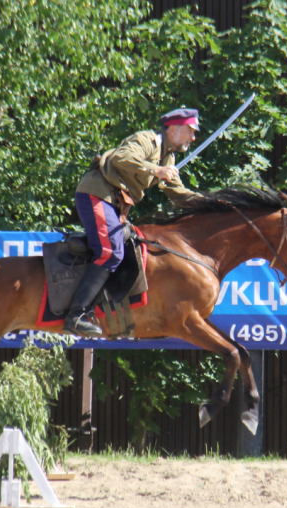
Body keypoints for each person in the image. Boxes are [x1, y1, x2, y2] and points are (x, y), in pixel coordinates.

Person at [64, 108, 201, 337]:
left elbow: (179, 194)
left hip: (114, 205)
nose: (193, 138)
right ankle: (76, 316)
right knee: (110, 252)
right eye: (190, 131)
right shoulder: (146, 140)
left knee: (124, 249)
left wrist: (212, 201)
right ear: (173, 129)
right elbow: (122, 158)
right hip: (97, 195)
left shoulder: (168, 158)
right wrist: (157, 170)